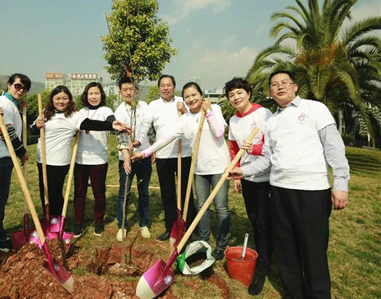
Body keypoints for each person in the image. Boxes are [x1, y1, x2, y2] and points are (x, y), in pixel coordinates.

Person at [230, 70, 350, 299]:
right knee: (286, 249)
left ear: (295, 86)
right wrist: (243, 171)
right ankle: (295, 293)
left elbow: (334, 148)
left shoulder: (315, 109)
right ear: (269, 92)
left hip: (312, 191)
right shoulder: (271, 121)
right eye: (275, 84)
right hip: (279, 190)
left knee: (313, 250)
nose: (280, 87)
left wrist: (341, 183)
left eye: (285, 82)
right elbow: (267, 158)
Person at [133, 82, 231, 260]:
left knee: (221, 208)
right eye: (187, 97)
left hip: (220, 166)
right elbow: (166, 138)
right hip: (200, 168)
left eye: (194, 95)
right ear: (184, 100)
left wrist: (208, 113)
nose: (191, 99)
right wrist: (145, 152)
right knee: (202, 207)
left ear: (201, 95)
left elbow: (218, 132)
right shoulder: (184, 120)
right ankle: (204, 242)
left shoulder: (214, 108)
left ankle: (222, 244)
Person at [30, 85, 130, 226]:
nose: (61, 101)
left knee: (56, 192)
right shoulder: (45, 113)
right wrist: (36, 126)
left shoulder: (74, 115)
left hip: (60, 160)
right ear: (52, 99)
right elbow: (33, 131)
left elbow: (91, 123)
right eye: (57, 98)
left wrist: (111, 125)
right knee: (44, 191)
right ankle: (47, 219)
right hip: (43, 159)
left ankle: (56, 220)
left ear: (69, 100)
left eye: (65, 98)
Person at [225, 77, 273, 295]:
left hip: (266, 178)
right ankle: (264, 254)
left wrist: (255, 148)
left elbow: (274, 143)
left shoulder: (263, 114)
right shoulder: (233, 121)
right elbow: (233, 148)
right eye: (232, 95)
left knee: (264, 222)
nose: (236, 97)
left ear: (248, 93)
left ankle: (262, 268)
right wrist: (236, 176)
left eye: (239, 93)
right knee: (254, 219)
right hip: (246, 177)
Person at [138, 75, 197, 242]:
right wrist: (140, 141)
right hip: (163, 155)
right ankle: (170, 227)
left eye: (169, 85)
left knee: (186, 192)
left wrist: (185, 111)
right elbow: (146, 126)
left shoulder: (183, 101)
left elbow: (194, 119)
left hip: (183, 154)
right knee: (168, 193)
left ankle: (189, 226)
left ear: (174, 86)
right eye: (162, 85)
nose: (166, 88)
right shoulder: (153, 106)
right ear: (159, 88)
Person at [0, 73, 31, 252]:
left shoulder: (10, 104)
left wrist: (21, 110)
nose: (21, 90)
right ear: (9, 85)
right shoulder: (4, 103)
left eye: (25, 88)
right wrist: (21, 152)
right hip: (0, 156)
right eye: (18, 86)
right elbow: (7, 131)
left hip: (2, 156)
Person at [73, 82, 115, 237]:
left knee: (99, 192)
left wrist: (111, 124)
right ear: (86, 95)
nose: (94, 96)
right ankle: (78, 222)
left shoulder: (106, 110)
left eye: (96, 93)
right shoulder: (80, 112)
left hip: (99, 158)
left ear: (101, 95)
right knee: (79, 192)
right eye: (91, 94)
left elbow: (111, 122)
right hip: (81, 158)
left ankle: (99, 221)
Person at [114, 77, 153, 241]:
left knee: (144, 191)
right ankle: (122, 225)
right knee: (125, 192)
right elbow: (120, 136)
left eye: (131, 88)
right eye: (125, 89)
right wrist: (127, 158)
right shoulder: (119, 111)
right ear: (121, 92)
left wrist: (151, 148)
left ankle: (143, 223)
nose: (129, 92)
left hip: (143, 155)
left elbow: (150, 130)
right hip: (127, 157)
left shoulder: (144, 106)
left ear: (135, 89)